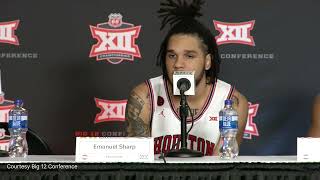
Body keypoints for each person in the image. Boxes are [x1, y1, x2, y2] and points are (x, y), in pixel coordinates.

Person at [125, 0, 248, 156]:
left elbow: (220, 168)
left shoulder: (232, 102)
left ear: (207, 61)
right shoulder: (145, 95)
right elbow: (137, 161)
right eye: (171, 55)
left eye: (189, 56)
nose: (178, 64)